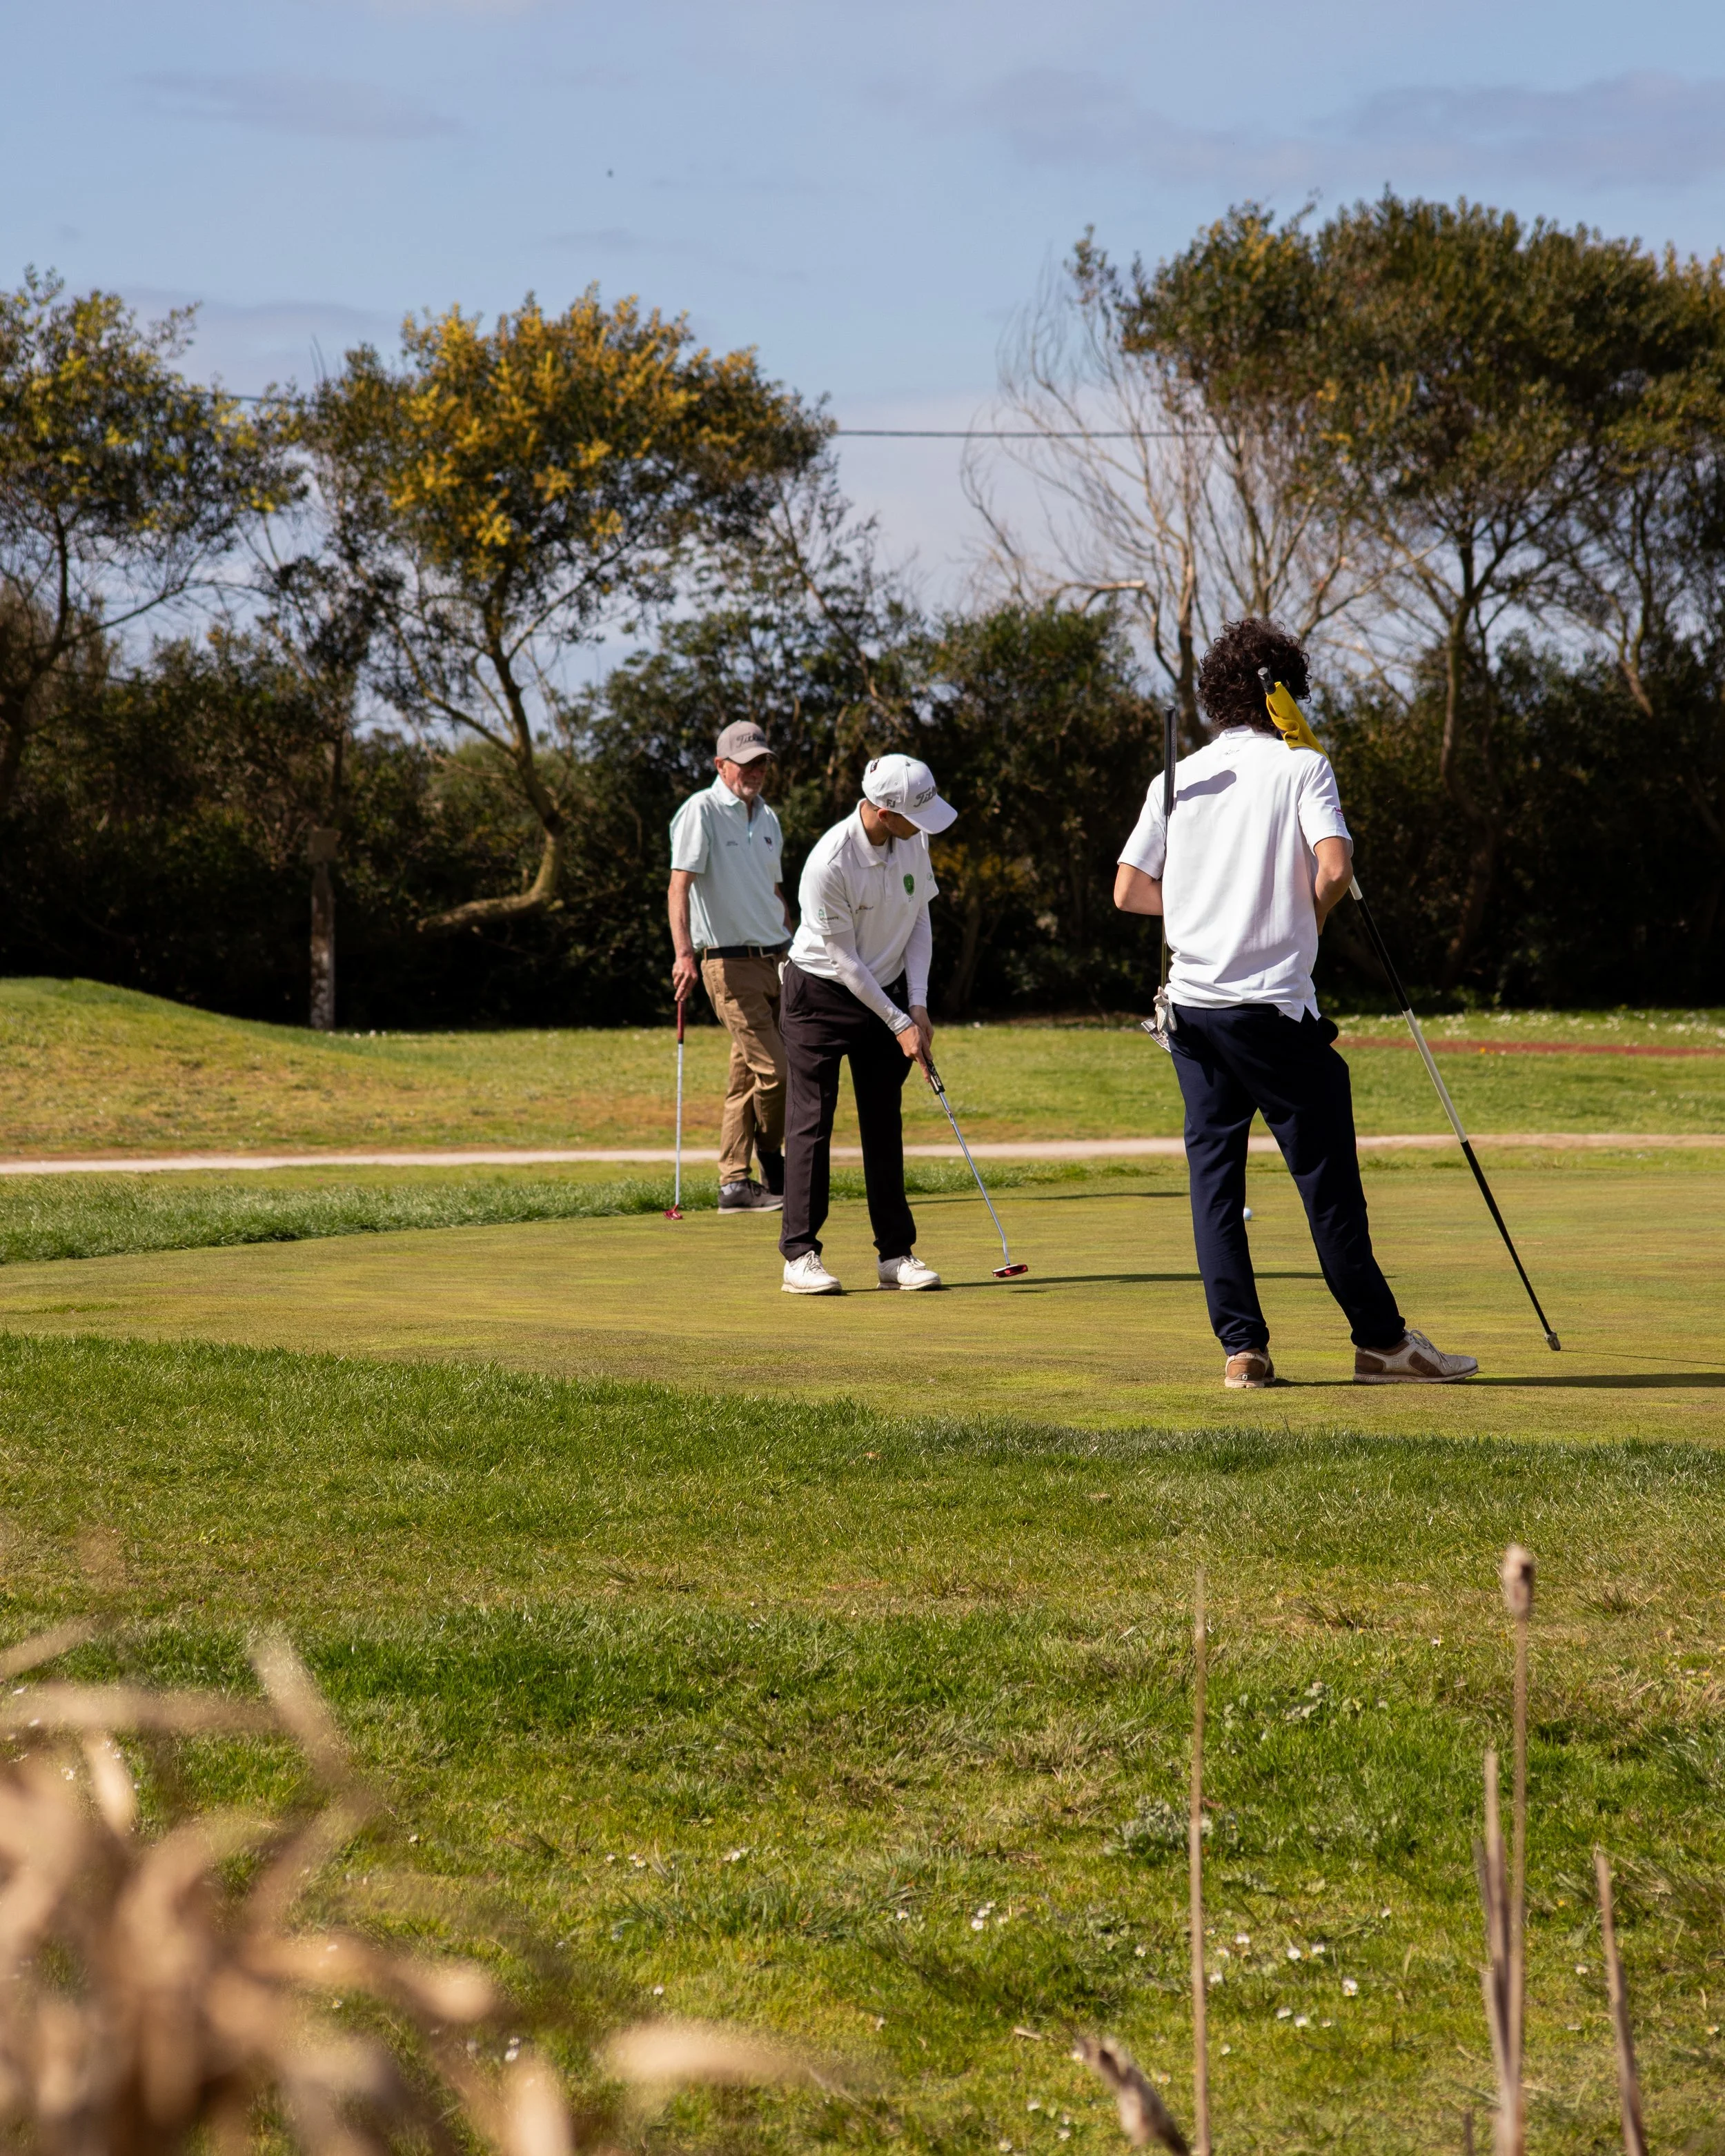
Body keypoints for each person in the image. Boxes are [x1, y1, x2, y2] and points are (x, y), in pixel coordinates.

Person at [1114, 617, 1479, 1389]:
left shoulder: (1174, 778)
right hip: (1272, 1008)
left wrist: (1204, 907)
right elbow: (1336, 866)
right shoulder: (1305, 766)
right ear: (1284, 691)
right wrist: (1300, 918)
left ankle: (1242, 1351)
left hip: (1193, 1012)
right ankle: (1381, 1344)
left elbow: (1129, 890)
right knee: (1324, 1178)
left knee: (1216, 1183)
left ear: (1214, 694)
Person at [777, 753, 956, 1294]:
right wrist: (899, 1020)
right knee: (813, 1122)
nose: (925, 828)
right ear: (882, 810)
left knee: (884, 1121)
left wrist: (918, 1006)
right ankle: (800, 1256)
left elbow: (920, 917)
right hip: (819, 994)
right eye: (914, 816)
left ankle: (895, 1255)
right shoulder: (829, 862)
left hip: (891, 989)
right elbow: (845, 961)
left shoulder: (913, 839)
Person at [667, 721, 793, 1211]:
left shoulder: (769, 819)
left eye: (762, 762)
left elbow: (774, 894)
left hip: (777, 960)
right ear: (721, 765)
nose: (756, 772)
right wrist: (683, 953)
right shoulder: (701, 810)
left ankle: (734, 1184)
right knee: (777, 1073)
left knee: (746, 1080)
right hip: (728, 963)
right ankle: (771, 1156)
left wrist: (797, 948)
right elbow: (679, 885)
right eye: (746, 763)